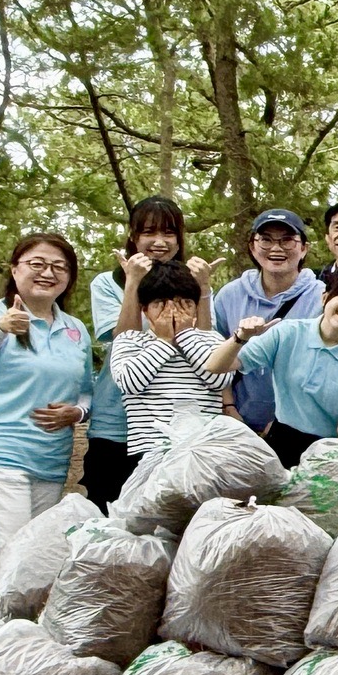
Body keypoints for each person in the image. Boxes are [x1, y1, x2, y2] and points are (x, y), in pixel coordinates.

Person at [0, 234, 92, 559]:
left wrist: (77, 413)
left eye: (59, 267)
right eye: (37, 264)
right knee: (10, 557)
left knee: (34, 558)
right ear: (15, 269)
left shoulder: (75, 329)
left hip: (50, 461)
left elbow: (86, 391)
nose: (48, 273)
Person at [86, 195, 208, 502]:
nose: (159, 242)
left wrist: (204, 289)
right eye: (149, 232)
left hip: (177, 423)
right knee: (109, 509)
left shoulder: (193, 283)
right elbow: (122, 339)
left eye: (169, 233)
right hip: (116, 421)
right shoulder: (107, 283)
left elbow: (207, 343)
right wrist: (133, 283)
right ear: (133, 236)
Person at [208, 263, 338, 466]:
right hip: (280, 440)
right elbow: (215, 366)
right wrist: (240, 337)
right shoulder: (288, 333)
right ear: (325, 297)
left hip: (330, 454)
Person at [108, 261, 232, 469]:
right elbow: (130, 383)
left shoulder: (211, 339)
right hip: (150, 453)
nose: (173, 310)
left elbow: (218, 379)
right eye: (161, 303)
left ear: (196, 307)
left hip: (205, 452)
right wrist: (164, 341)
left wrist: (185, 336)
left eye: (185, 303)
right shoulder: (129, 340)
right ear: (145, 310)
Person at [209, 208, 323, 434]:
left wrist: (283, 422)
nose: (276, 248)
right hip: (235, 419)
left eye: (287, 240)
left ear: (303, 248)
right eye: (266, 240)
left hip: (294, 427)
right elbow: (214, 351)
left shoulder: (321, 298)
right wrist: (228, 406)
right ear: (252, 247)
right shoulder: (229, 295)